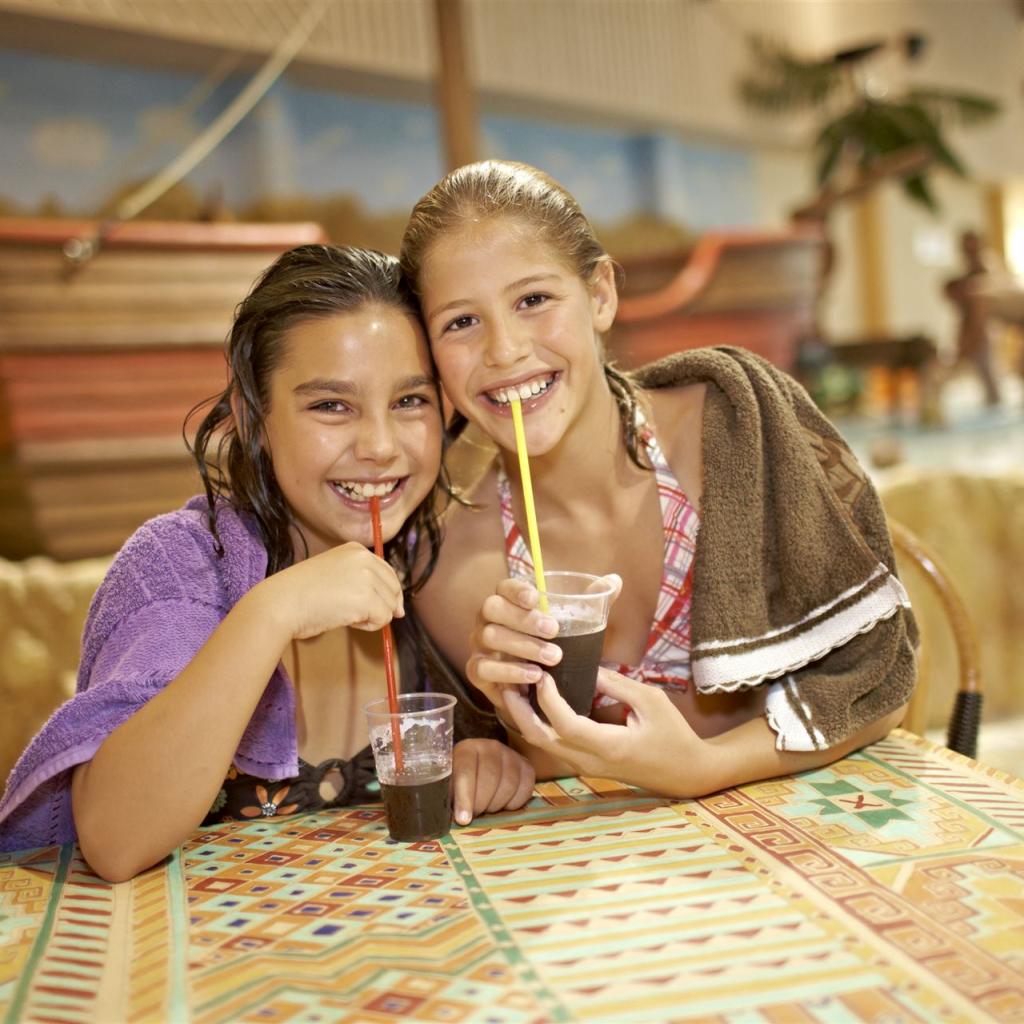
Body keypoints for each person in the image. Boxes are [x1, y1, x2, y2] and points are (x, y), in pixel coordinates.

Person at [0, 244, 534, 878]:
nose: (379, 446)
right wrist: (271, 612)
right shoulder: (179, 565)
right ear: (254, 418)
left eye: (409, 401)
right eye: (330, 406)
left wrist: (486, 759)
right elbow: (115, 843)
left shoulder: (433, 569)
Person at [398, 160, 917, 798]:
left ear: (600, 294)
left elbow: (880, 685)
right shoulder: (452, 567)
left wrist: (707, 767)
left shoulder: (738, 427)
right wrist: (505, 727)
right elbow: (548, 760)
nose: (504, 349)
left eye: (533, 300)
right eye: (461, 322)